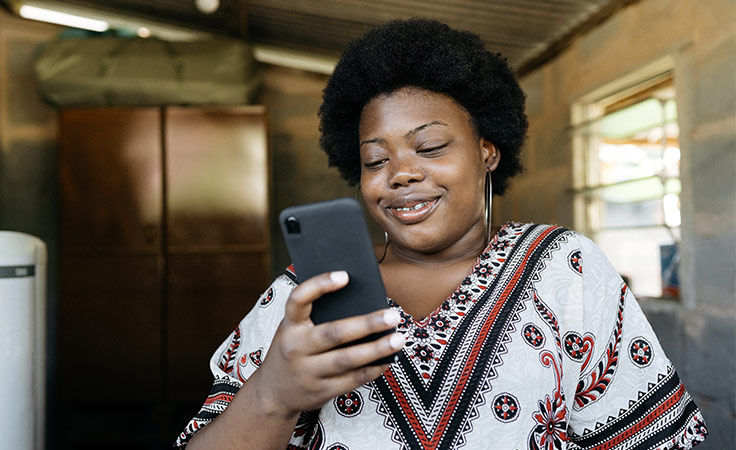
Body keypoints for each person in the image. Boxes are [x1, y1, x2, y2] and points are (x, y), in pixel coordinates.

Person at [175, 18, 707, 450]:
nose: (400, 173)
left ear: (487, 151)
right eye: (375, 159)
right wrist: (272, 395)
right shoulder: (306, 293)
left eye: (429, 147)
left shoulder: (565, 268)